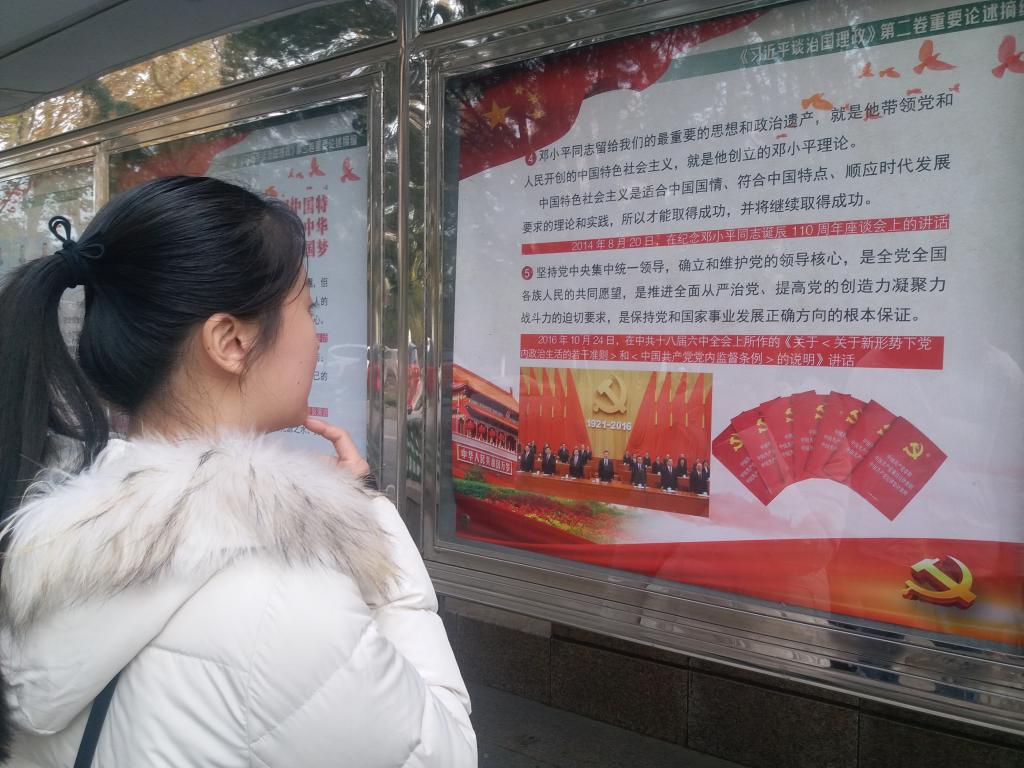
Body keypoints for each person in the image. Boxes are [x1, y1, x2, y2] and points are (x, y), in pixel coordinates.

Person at [0, 177, 476, 767]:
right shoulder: (286, 605)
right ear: (230, 341)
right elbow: (445, 753)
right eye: (308, 306)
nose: (317, 336)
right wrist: (372, 524)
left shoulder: (44, 528)